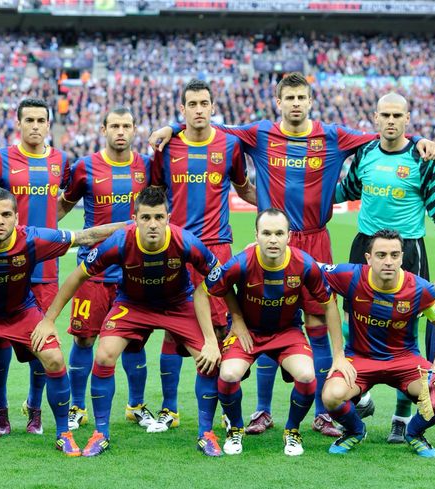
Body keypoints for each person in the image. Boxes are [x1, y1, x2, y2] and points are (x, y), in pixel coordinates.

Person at [150, 72, 435, 437]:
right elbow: (209, 123)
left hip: (316, 241)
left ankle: (322, 413)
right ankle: (262, 411)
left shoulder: (332, 136)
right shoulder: (260, 133)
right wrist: (171, 127)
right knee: (266, 323)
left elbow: (385, 135)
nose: (296, 104)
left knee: (317, 326)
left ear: (310, 101)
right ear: (279, 102)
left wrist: (419, 139)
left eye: (302, 97)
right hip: (273, 243)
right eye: (290, 98)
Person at [0, 188, 125, 457]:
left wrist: (134, 224)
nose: (0, 220)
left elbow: (86, 236)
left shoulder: (32, 238)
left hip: (21, 312)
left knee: (55, 359)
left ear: (16, 217)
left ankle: (62, 434)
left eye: (6, 214)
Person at [37, 186, 223, 457]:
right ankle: (101, 433)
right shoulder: (120, 241)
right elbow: (78, 276)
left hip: (177, 305)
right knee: (103, 355)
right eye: (145, 217)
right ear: (134, 219)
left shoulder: (186, 241)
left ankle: (206, 433)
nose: (152, 224)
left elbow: (221, 279)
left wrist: (234, 325)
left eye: (159, 217)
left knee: (209, 359)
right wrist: (49, 319)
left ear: (168, 218)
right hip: (132, 305)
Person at [335, 92, 435, 443]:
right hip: (364, 248)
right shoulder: (365, 153)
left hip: (407, 252)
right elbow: (347, 189)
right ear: (375, 118)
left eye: (397, 115)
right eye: (384, 115)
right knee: (350, 324)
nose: (390, 121)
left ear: (407, 119)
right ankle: (362, 394)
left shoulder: (422, 158)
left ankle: (401, 418)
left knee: (405, 336)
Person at [148, 79, 256, 433]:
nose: (198, 109)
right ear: (182, 110)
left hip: (217, 248)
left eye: (203, 103)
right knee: (171, 325)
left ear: (213, 108)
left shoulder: (229, 145)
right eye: (191, 104)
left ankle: (226, 409)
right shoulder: (168, 146)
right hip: (176, 248)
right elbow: (155, 195)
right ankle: (170, 408)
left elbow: (243, 187)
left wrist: (278, 205)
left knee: (222, 327)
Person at [199, 208, 343, 456]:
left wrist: (339, 354)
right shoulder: (242, 261)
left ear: (289, 236)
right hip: (249, 333)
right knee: (229, 373)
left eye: (279, 233)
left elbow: (329, 303)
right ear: (257, 234)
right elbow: (203, 292)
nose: (273, 239)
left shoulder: (304, 264)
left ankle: (292, 430)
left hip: (287, 333)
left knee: (308, 375)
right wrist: (224, 330)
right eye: (266, 233)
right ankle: (236, 427)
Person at [0, 98, 71, 435]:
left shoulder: (60, 161)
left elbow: (61, 205)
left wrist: (45, 230)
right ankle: (1, 409)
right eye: (28, 119)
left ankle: (34, 408)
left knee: (42, 340)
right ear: (19, 123)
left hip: (45, 269)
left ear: (48, 124)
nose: (35, 125)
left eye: (40, 120)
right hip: (3, 267)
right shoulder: (0, 159)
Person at [56, 107, 155, 431]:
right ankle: (77, 407)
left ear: (135, 128)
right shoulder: (85, 167)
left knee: (136, 340)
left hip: (135, 268)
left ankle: (136, 405)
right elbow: (62, 207)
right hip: (93, 270)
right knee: (84, 339)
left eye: (127, 125)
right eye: (115, 126)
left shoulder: (146, 167)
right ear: (103, 129)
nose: (121, 131)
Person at [321, 229, 435, 458]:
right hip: (359, 359)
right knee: (331, 396)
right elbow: (308, 267)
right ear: (368, 258)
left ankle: (414, 433)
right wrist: (262, 249)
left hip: (404, 362)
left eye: (395, 255)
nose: (388, 261)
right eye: (381, 255)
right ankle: (355, 430)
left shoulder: (419, 288)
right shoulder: (350, 276)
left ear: (402, 257)